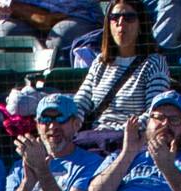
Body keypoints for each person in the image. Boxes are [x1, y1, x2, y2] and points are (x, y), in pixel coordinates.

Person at [73, 2, 171, 137]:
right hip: (94, 138)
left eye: (129, 17)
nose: (121, 22)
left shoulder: (154, 63)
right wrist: (73, 122)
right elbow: (80, 101)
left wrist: (117, 132)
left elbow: (154, 113)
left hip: (130, 142)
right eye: (114, 17)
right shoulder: (100, 62)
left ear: (140, 24)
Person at [0, 0, 95, 65]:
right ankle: (9, 97)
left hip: (73, 14)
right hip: (17, 14)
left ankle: (64, 95)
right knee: (8, 34)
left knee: (62, 36)